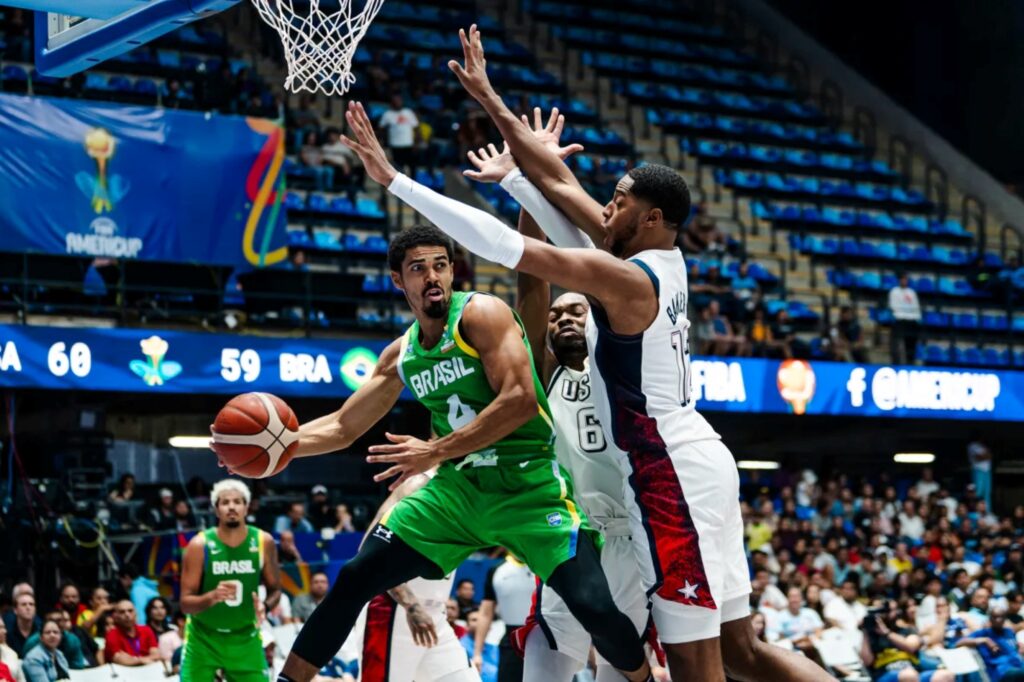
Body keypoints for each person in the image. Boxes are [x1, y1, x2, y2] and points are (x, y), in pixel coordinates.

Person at [430, 25, 833, 682]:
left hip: (673, 476)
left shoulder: (627, 276)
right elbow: (566, 192)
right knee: (743, 655)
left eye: (619, 200)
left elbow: (530, 251)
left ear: (647, 217)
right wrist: (523, 162)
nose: (606, 205)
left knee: (697, 666)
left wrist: (480, 119)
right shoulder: (654, 260)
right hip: (692, 464)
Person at [250, 220, 655, 681]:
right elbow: (344, 426)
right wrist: (273, 447)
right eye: (418, 269)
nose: (432, 277)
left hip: (526, 487)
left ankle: (643, 678)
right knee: (354, 577)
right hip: (457, 495)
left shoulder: (481, 314)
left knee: (594, 607)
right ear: (398, 281)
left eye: (440, 266)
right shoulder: (402, 354)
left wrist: (435, 450)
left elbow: (520, 399)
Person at [469, 136, 651, 682]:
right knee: (545, 667)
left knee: (623, 670)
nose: (564, 318)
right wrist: (524, 183)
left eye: (576, 310)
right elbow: (532, 277)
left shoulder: (617, 360)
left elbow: (597, 271)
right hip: (573, 535)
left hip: (633, 537)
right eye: (556, 316)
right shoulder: (542, 375)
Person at [355, 473, 481, 682]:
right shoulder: (419, 485)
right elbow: (368, 551)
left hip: (435, 615)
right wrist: (411, 606)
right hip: (394, 608)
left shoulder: (472, 492)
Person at [180, 479, 282, 681]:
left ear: (247, 507)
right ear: (216, 510)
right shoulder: (200, 545)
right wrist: (211, 597)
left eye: (237, 501)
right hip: (203, 638)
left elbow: (276, 590)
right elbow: (185, 604)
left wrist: (265, 607)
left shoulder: (263, 541)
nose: (232, 507)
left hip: (246, 637)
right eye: (225, 502)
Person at [473, 553, 533, 681]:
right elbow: (485, 613)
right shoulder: (496, 570)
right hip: (511, 642)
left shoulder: (543, 566)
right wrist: (477, 653)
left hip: (543, 639)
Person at [860, 600, 954, 682]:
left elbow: (911, 647)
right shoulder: (871, 636)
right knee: (909, 675)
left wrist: (886, 633)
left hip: (913, 672)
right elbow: (867, 661)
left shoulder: (907, 630)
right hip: (886, 675)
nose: (886, 613)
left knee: (945, 675)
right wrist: (865, 631)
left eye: (891, 610)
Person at [956, 607, 1024, 681]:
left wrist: (1019, 647)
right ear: (990, 619)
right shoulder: (984, 633)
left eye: (1001, 617)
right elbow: (959, 642)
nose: (998, 620)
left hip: (1018, 664)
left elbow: (1014, 648)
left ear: (1005, 619)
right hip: (1001, 671)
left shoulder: (1009, 632)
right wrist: (985, 640)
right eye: (995, 617)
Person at [103, 601, 160, 666]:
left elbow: (156, 655)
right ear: (116, 617)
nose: (127, 615)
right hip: (125, 673)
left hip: (149, 669)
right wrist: (142, 660)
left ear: (136, 613)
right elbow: (120, 660)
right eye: (122, 612)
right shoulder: (111, 635)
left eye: (130, 611)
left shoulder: (146, 630)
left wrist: (133, 659)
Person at [378, 94, 419, 173]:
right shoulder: (387, 114)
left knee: (412, 166)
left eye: (399, 101)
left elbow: (416, 129)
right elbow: (381, 129)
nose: (397, 103)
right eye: (395, 101)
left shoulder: (408, 112)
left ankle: (413, 183)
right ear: (392, 103)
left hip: (408, 144)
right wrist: (381, 141)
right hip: (395, 145)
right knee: (398, 167)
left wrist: (416, 143)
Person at [887, 274, 921, 365]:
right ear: (899, 280)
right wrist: (902, 313)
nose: (904, 281)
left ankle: (910, 362)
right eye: (902, 279)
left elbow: (916, 307)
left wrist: (916, 317)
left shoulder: (911, 292)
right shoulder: (894, 292)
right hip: (900, 320)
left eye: (905, 279)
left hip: (911, 321)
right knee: (897, 343)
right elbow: (893, 306)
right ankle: (896, 363)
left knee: (911, 343)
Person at [967, 432, 994, 509]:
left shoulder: (984, 446)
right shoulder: (972, 445)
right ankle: (976, 509)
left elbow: (990, 456)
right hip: (978, 470)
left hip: (987, 471)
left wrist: (986, 455)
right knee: (978, 492)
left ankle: (987, 510)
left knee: (987, 492)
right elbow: (979, 457)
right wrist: (986, 455)